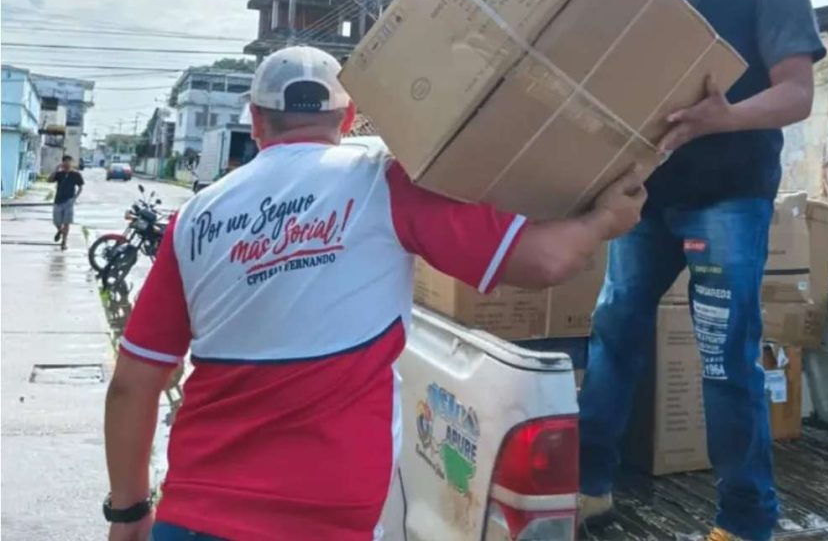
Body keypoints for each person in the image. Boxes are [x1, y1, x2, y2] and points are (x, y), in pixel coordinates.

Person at [102, 45, 646, 541]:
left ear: (255, 120)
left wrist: (128, 514)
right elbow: (545, 260)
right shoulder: (381, 181)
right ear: (345, 116)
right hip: (324, 525)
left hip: (192, 517)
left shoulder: (195, 218)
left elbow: (133, 384)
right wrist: (605, 221)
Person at [577, 0, 826, 541]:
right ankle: (588, 487)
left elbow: (796, 94)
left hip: (728, 198)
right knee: (613, 337)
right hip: (647, 201)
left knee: (723, 358)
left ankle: (746, 523)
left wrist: (725, 116)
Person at [48, 154, 84, 251]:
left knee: (67, 222)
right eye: (65, 161)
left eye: (69, 161)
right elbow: (49, 180)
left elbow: (80, 187)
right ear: (62, 162)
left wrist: (75, 198)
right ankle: (60, 230)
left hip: (69, 201)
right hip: (58, 200)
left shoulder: (76, 174)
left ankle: (64, 242)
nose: (67, 163)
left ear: (71, 162)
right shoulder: (59, 174)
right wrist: (55, 170)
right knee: (56, 221)